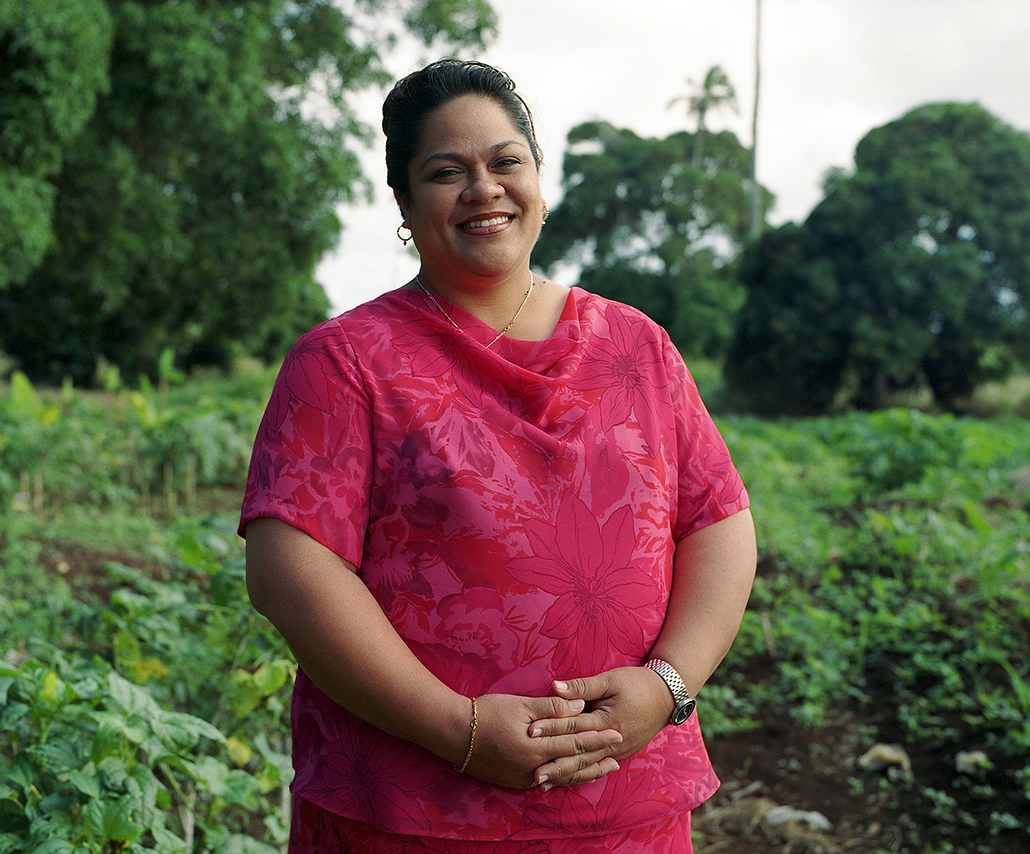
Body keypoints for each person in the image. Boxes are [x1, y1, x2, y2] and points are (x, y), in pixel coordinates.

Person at [241, 58, 756, 854]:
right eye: (446, 172)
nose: (484, 189)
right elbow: (290, 570)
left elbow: (717, 522)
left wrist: (667, 686)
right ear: (404, 203)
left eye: (505, 161)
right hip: (408, 812)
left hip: (623, 804)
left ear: (539, 183)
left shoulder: (637, 346)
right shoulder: (345, 362)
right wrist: (462, 731)